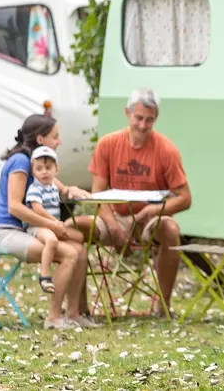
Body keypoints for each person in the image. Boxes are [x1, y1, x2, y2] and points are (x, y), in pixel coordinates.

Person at [74, 87, 191, 316]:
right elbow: (97, 194)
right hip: (113, 215)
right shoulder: (108, 144)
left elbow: (185, 198)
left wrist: (154, 210)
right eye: (138, 118)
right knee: (72, 228)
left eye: (149, 120)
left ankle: (163, 307)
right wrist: (114, 227)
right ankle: (78, 309)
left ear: (156, 118)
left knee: (170, 229)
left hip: (149, 218)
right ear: (127, 114)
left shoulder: (166, 150)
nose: (143, 125)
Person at [0, 114, 93, 329]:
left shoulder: (36, 162)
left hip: (25, 230)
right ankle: (54, 317)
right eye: (56, 136)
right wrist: (52, 224)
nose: (59, 141)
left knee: (79, 249)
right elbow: (14, 207)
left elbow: (53, 181)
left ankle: (73, 314)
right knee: (69, 253)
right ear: (41, 139)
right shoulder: (21, 161)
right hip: (4, 232)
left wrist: (68, 190)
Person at [24, 146, 84, 293]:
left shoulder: (53, 187)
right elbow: (37, 209)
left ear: (56, 169)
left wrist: (71, 193)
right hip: (38, 226)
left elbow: (64, 193)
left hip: (53, 225)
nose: (44, 172)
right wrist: (54, 222)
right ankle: (44, 276)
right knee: (51, 240)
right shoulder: (34, 189)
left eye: (48, 167)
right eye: (39, 168)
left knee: (79, 237)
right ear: (33, 171)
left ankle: (71, 277)